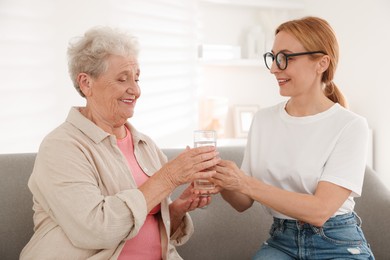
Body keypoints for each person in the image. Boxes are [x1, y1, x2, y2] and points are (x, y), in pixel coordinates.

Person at [20, 26, 220, 260]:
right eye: (122, 79)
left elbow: (150, 225)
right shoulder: (61, 147)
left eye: (136, 79)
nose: (135, 90)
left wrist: (176, 209)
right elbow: (96, 229)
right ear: (86, 83)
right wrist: (169, 177)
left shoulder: (145, 145)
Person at [212, 16, 375, 259]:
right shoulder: (263, 120)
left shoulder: (350, 126)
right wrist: (219, 176)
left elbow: (320, 211)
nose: (274, 68)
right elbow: (243, 202)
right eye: (273, 57)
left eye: (285, 58)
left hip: (336, 241)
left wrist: (244, 182)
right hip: (281, 241)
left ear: (321, 63)